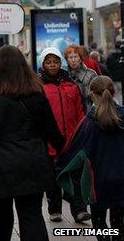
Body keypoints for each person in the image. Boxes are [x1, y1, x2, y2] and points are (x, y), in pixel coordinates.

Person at [0, 45, 64, 241]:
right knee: (32, 215)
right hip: (33, 161)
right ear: (23, 66)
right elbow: (51, 129)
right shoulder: (37, 92)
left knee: (1, 219)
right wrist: (63, 151)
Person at [56, 76, 124, 240]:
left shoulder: (88, 124)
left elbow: (73, 153)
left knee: (100, 223)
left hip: (97, 183)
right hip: (122, 180)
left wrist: (58, 171)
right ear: (113, 93)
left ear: (92, 94)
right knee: (119, 222)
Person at [38, 47, 90, 223]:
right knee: (52, 178)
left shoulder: (71, 85)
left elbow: (80, 111)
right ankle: (55, 210)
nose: (52, 65)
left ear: (61, 63)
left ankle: (79, 210)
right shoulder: (39, 87)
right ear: (43, 64)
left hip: (72, 139)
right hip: (50, 142)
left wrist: (82, 133)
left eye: (55, 62)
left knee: (75, 175)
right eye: (49, 62)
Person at [64, 44, 98, 111]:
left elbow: (97, 97)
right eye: (70, 57)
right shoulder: (64, 75)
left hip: (88, 113)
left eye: (76, 57)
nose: (73, 60)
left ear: (80, 58)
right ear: (67, 60)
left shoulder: (91, 74)